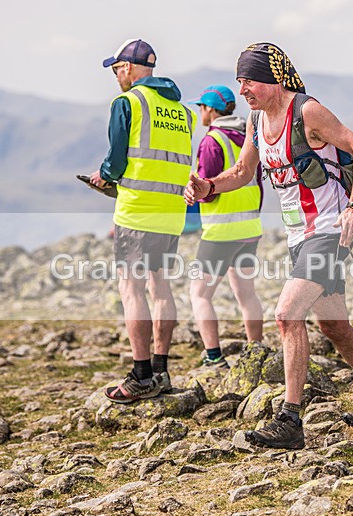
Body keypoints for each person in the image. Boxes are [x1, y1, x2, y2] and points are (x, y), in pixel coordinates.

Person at [185, 43, 353, 450]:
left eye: (249, 79)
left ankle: (290, 420)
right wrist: (208, 186)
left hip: (329, 232)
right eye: (239, 81)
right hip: (299, 236)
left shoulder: (307, 112)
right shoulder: (254, 120)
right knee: (333, 326)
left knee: (287, 315)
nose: (242, 88)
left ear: (274, 78)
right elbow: (244, 171)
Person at [90, 38, 195, 402]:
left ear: (131, 69)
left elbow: (117, 158)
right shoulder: (182, 111)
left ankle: (140, 375)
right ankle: (161, 370)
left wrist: (104, 175)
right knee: (160, 287)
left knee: (131, 289)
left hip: (136, 211)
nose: (117, 76)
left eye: (118, 69)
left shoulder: (128, 102)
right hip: (171, 214)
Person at [187, 85, 264, 368]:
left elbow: (208, 188)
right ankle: (257, 350)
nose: (200, 113)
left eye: (201, 108)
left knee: (199, 294)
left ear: (209, 110)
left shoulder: (211, 141)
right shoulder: (248, 138)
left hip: (220, 231)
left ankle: (214, 357)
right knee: (247, 294)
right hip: (249, 228)